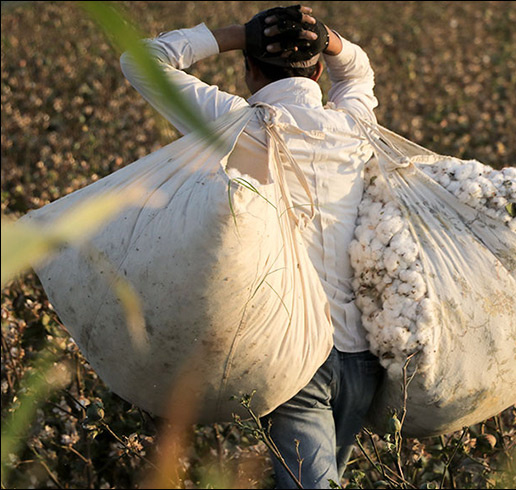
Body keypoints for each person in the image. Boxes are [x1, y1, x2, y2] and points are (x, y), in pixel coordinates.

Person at [120, 5, 383, 488]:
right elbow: (359, 72)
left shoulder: (239, 125)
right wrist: (329, 39)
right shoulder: (352, 127)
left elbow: (142, 61)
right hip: (362, 357)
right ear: (319, 69)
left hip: (294, 354)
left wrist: (237, 34)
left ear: (249, 70)